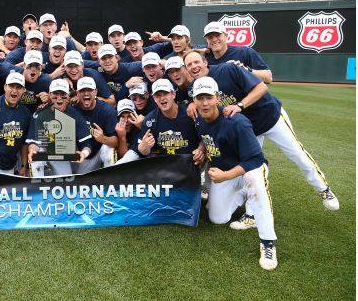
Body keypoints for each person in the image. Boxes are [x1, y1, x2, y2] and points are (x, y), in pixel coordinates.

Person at [183, 51, 339, 221]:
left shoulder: (228, 69)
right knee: (252, 165)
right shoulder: (194, 87)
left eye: (196, 62)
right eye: (189, 64)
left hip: (269, 116)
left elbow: (262, 86)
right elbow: (200, 102)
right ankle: (251, 211)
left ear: (206, 62)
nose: (194, 67)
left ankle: (323, 189)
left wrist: (240, 105)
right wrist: (192, 103)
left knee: (297, 154)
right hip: (248, 128)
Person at [192, 76, 278, 271]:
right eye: (200, 98)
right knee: (218, 219)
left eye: (208, 97)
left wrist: (225, 176)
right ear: (194, 100)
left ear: (217, 98)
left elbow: (255, 160)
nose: (204, 103)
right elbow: (206, 137)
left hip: (247, 169)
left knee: (254, 179)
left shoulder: (237, 121)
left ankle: (268, 242)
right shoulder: (199, 120)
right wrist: (201, 148)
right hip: (226, 172)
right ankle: (244, 195)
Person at [27, 79, 93, 176]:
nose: (59, 98)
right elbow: (33, 141)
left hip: (61, 155)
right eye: (55, 94)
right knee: (35, 158)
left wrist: (84, 153)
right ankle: (36, 185)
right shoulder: (39, 114)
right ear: (49, 95)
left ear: (68, 95)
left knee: (67, 179)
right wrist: (32, 150)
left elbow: (87, 143)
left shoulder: (74, 115)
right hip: (43, 151)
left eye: (63, 94)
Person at [138, 79, 203, 160]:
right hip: (165, 167)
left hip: (190, 163)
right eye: (158, 95)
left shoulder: (189, 113)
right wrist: (144, 148)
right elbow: (143, 150)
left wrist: (200, 150)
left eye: (165, 93)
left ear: (173, 94)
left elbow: (205, 137)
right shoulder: (150, 120)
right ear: (154, 98)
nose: (162, 98)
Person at [73, 77, 118, 173]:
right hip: (83, 154)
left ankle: (111, 182)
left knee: (109, 150)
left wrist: (102, 138)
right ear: (77, 93)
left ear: (96, 92)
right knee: (81, 181)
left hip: (100, 150)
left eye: (89, 90)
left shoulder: (107, 110)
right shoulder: (72, 111)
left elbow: (115, 142)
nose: (86, 93)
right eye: (82, 90)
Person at [203, 21, 273, 83]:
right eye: (210, 37)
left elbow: (268, 78)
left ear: (226, 36)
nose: (214, 39)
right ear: (207, 40)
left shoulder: (244, 52)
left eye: (218, 35)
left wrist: (246, 70)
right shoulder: (204, 56)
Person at [114, 99, 144, 164]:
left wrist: (122, 137)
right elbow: (121, 157)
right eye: (122, 116)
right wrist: (122, 137)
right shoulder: (115, 126)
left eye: (129, 116)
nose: (126, 120)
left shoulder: (140, 127)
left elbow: (127, 160)